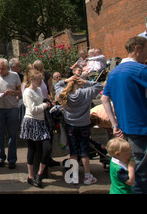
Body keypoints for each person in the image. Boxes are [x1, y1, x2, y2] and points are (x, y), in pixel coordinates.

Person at [102, 36, 147, 194]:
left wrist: (115, 125)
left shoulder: (114, 73)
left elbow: (104, 98)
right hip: (141, 129)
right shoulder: (140, 70)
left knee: (130, 171)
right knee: (142, 177)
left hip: (124, 131)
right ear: (137, 49)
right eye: (146, 50)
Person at [57, 75, 103, 185]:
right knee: (84, 151)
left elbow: (57, 84)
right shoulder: (86, 92)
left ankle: (74, 176)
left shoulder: (64, 94)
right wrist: (85, 82)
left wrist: (67, 80)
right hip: (84, 124)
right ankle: (87, 176)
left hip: (70, 125)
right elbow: (99, 86)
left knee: (73, 151)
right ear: (79, 84)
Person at [20, 69, 53, 188]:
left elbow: (40, 104)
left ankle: (39, 174)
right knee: (32, 149)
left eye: (41, 79)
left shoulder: (38, 90)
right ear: (31, 80)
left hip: (41, 121)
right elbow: (33, 109)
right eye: (38, 79)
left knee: (47, 148)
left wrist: (46, 102)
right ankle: (30, 176)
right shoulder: (27, 92)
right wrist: (45, 105)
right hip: (31, 121)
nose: (40, 81)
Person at [0, 58, 22, 169]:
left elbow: (20, 91)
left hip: (12, 108)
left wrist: (12, 92)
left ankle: (12, 159)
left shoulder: (14, 76)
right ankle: (0, 157)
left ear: (8, 68)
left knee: (12, 135)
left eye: (2, 69)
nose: (0, 71)